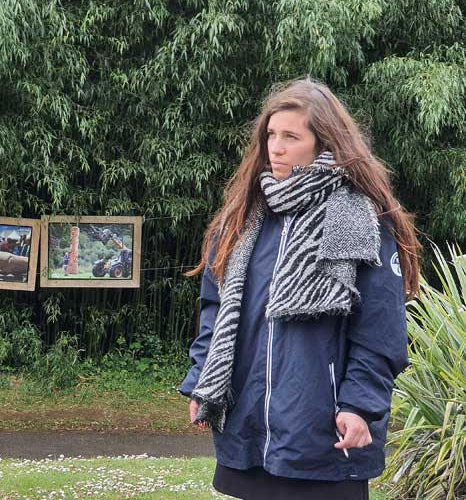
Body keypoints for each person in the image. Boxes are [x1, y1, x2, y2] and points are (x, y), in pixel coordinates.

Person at [178, 78, 421, 500]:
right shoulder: (242, 219)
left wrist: (360, 406)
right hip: (250, 428)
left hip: (324, 433)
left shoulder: (357, 217)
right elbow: (214, 310)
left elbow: (380, 328)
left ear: (323, 143)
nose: (276, 147)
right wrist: (203, 377)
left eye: (291, 136)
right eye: (271, 134)